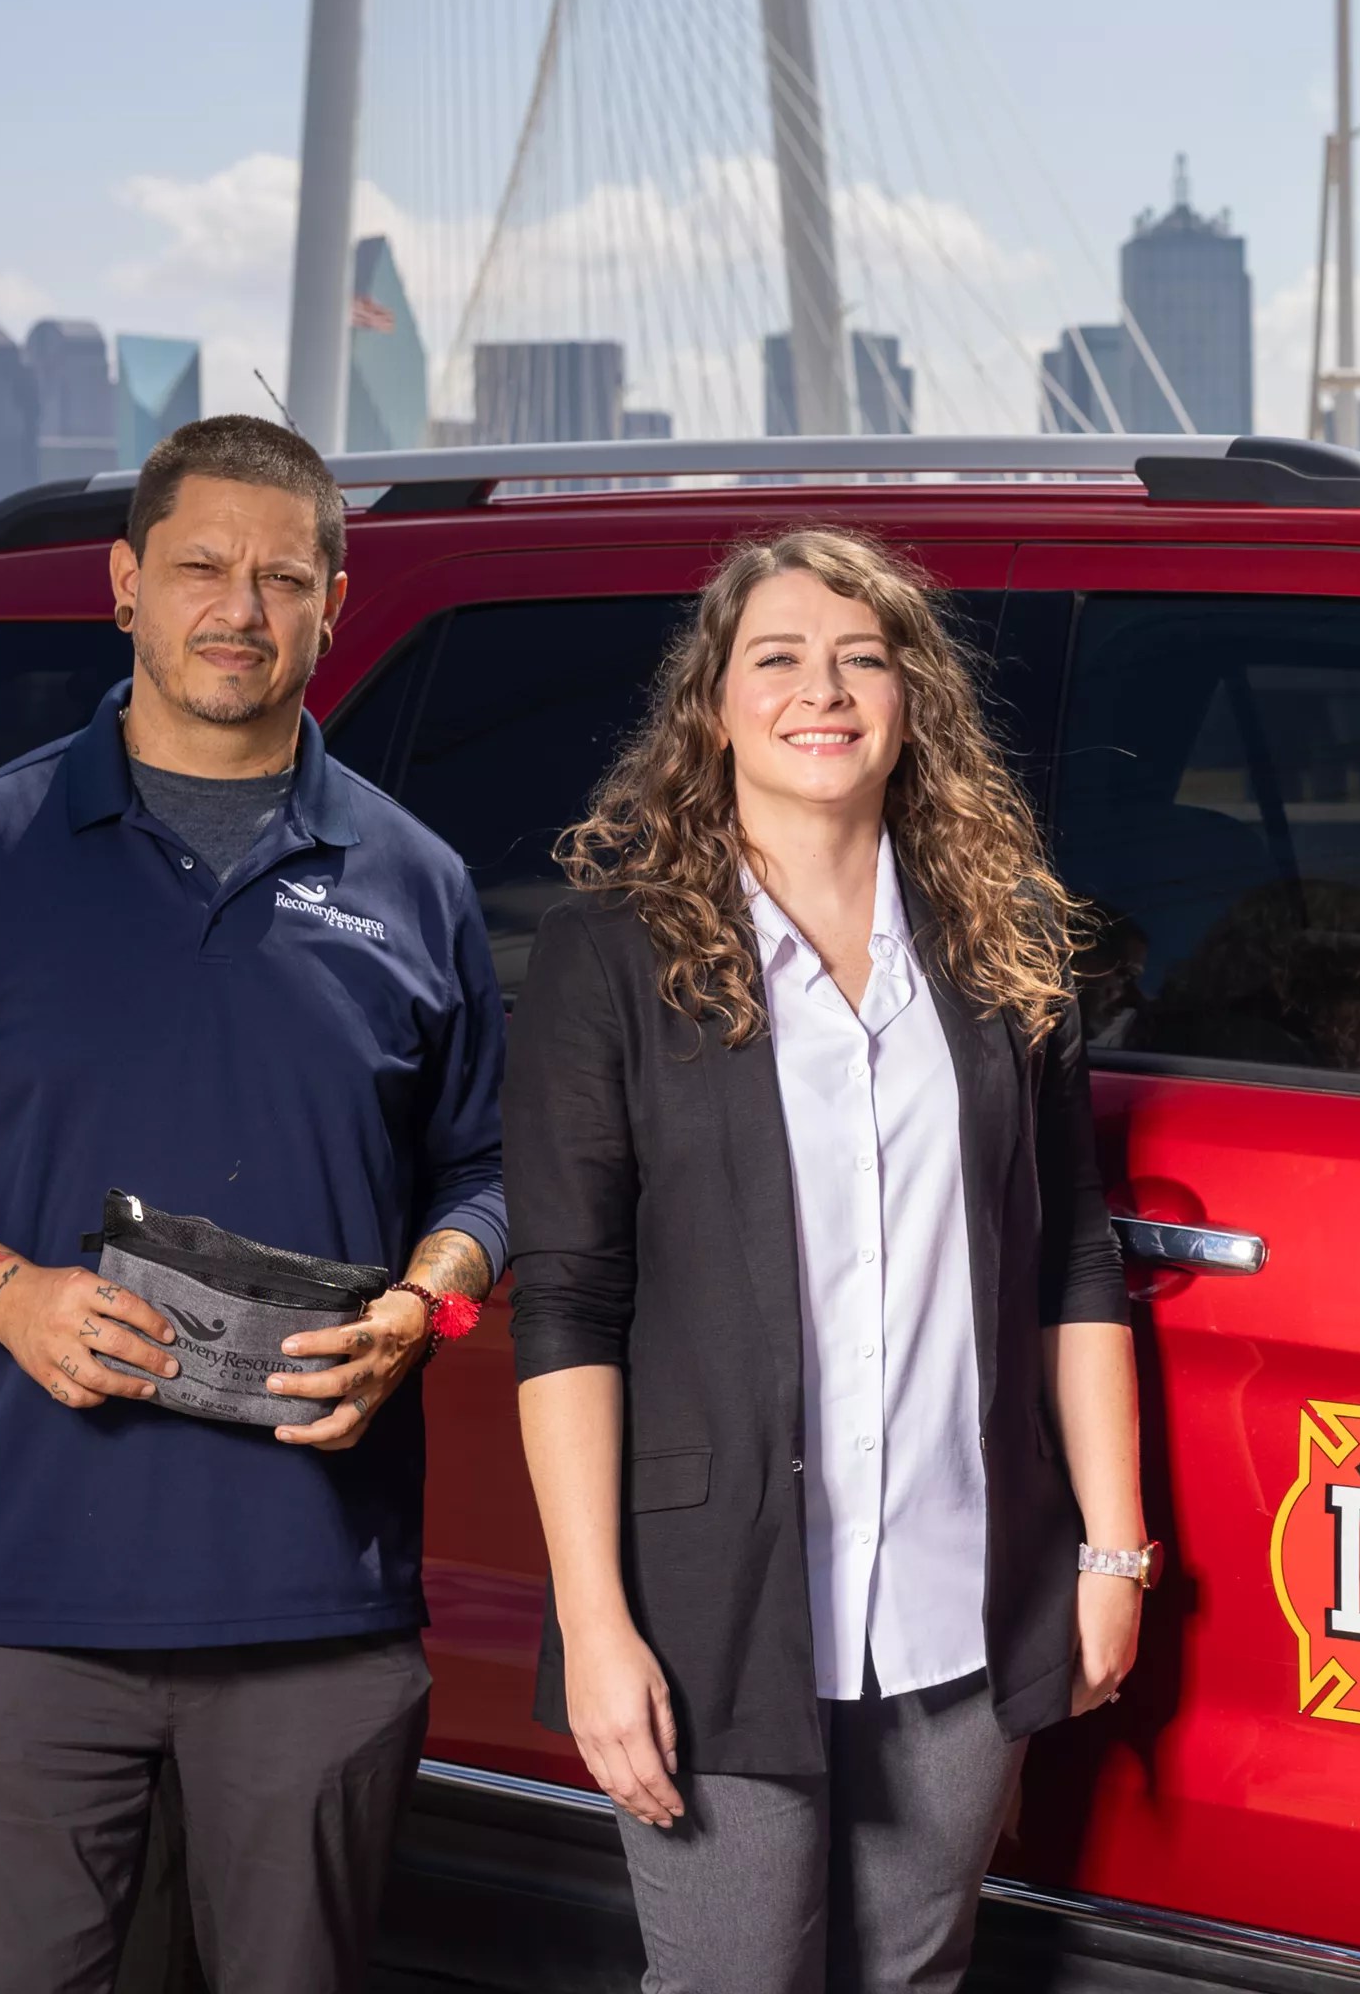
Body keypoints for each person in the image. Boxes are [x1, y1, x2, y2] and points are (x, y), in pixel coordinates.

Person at [0, 415, 506, 1993]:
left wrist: (426, 1307)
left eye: (279, 574)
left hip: (318, 1610)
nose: (237, 607)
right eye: (199, 567)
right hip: (24, 1601)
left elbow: (485, 1174)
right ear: (125, 586)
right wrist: (8, 1292)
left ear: (333, 595)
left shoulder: (415, 882)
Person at [506, 528, 1147, 1994]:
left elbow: (1077, 1268)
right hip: (708, 1604)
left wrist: (1112, 1552)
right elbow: (568, 1311)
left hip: (965, 1593)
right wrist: (598, 1628)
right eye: (779, 658)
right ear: (712, 703)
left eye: (866, 658)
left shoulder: (1006, 948)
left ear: (915, 699)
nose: (826, 690)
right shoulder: (610, 959)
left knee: (916, 1979)